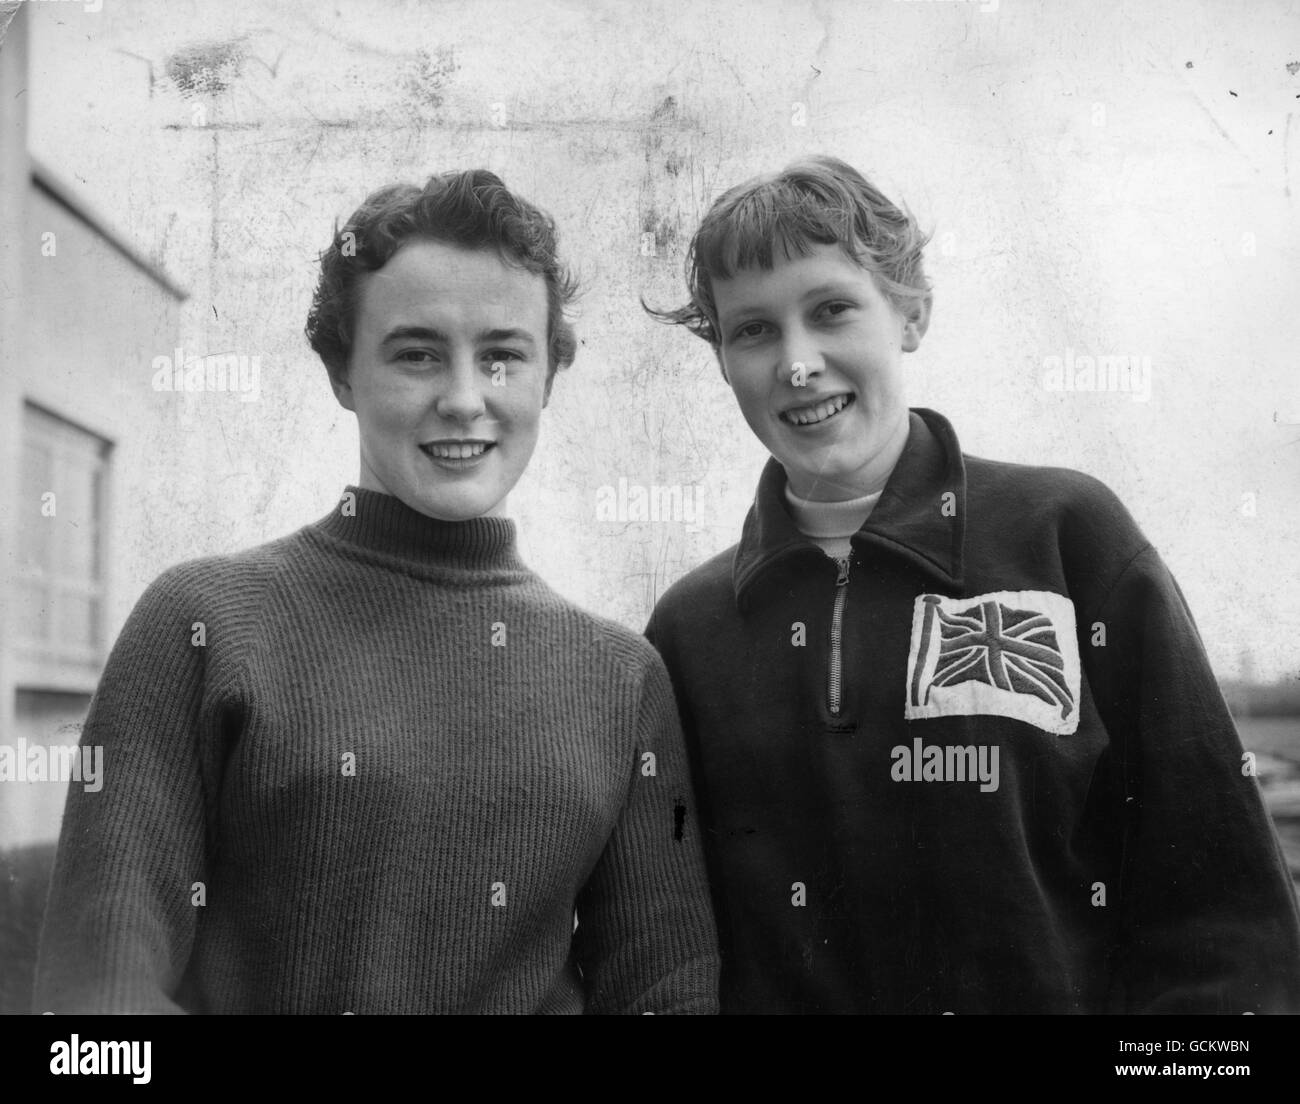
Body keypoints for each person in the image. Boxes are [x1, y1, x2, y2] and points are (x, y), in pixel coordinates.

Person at [34, 169, 719, 1014]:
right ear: (341, 373)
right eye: (417, 354)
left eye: (502, 356)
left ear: (549, 378)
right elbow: (98, 996)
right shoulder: (201, 623)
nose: (464, 400)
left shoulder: (623, 676)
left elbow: (667, 990)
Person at [643, 154, 1300, 1014]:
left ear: (910, 314)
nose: (797, 363)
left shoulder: (1067, 537)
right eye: (753, 330)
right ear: (721, 357)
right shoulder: (690, 629)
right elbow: (667, 940)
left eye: (831, 309)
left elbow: (1225, 908)